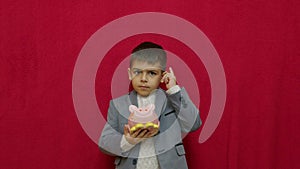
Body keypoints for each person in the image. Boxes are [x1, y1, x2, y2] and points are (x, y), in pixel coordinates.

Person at [99, 42, 201, 169]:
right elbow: (104, 143)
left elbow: (194, 124)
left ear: (162, 76)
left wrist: (174, 90)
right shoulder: (118, 104)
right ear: (130, 74)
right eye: (138, 72)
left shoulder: (172, 100)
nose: (143, 78)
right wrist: (127, 141)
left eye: (152, 73)